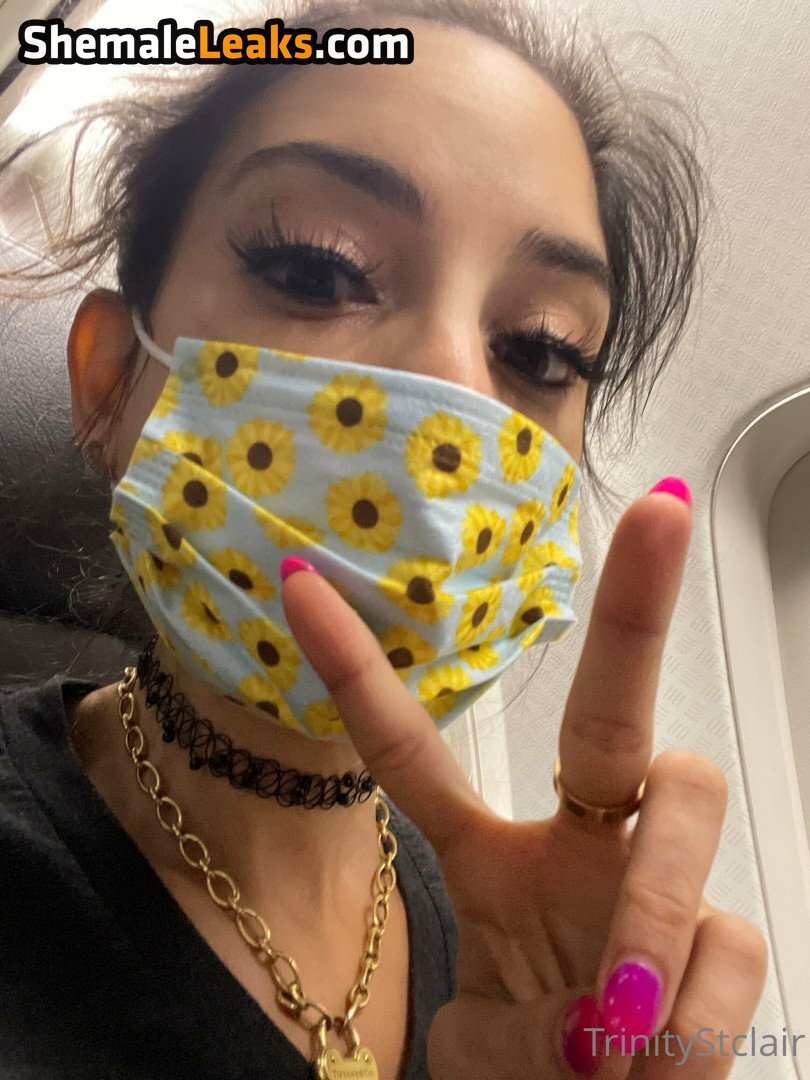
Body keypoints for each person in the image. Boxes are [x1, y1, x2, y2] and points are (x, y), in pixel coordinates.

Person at [0, 0, 767, 1077]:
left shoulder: (520, 955)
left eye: (540, 350)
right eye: (316, 268)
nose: (454, 387)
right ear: (109, 383)